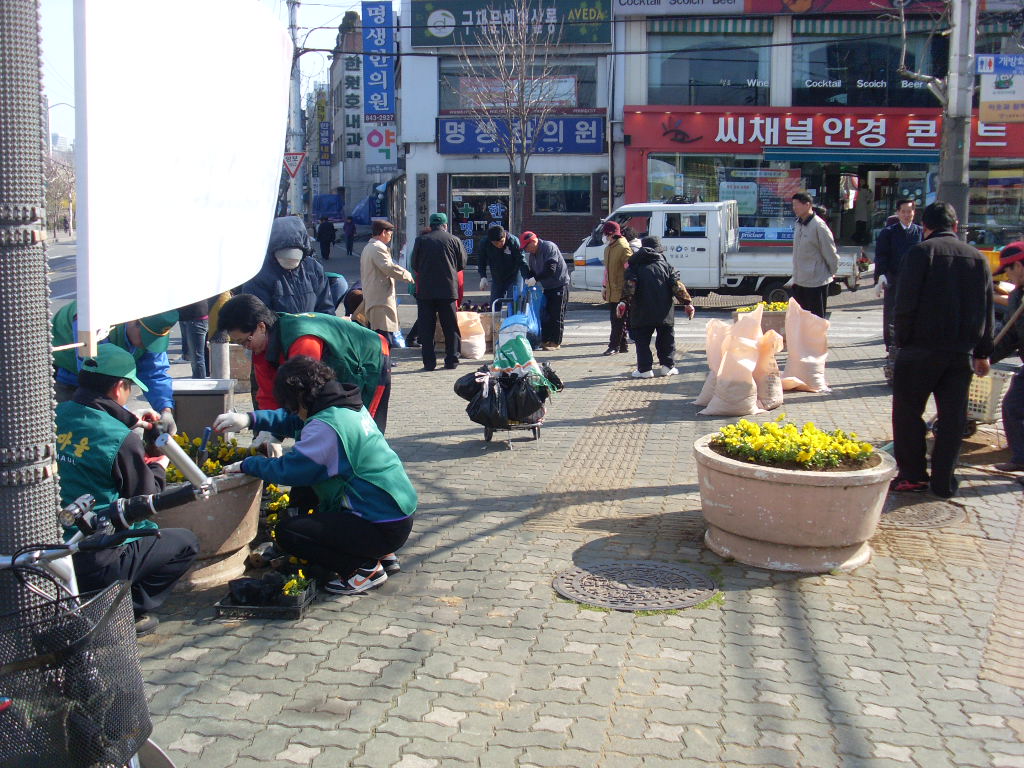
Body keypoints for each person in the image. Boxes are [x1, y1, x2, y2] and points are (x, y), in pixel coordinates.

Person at [214, 356, 415, 595]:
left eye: (291, 404)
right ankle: (382, 554)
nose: (292, 411)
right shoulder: (344, 406)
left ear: (300, 397)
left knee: (291, 533)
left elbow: (290, 470)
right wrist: (250, 419)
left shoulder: (327, 426)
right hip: (395, 514)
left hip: (379, 525)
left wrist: (248, 464)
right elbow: (296, 421)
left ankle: (362, 570)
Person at [55, 344, 199, 635]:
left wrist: (130, 419)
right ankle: (125, 612)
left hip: (52, 548)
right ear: (119, 386)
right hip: (97, 556)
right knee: (185, 543)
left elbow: (93, 417)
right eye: (130, 387)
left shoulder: (54, 414)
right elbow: (144, 499)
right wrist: (157, 463)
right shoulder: (121, 440)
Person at [890, 201, 994, 498]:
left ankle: (912, 475)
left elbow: (905, 303)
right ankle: (943, 480)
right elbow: (986, 310)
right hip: (960, 353)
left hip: (920, 349)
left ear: (925, 227)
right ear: (956, 226)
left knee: (908, 413)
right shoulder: (978, 258)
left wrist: (902, 341)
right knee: (953, 418)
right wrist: (983, 352)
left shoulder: (921, 253)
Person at [217, 293, 392, 436]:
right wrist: (269, 432)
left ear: (261, 327)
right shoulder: (261, 347)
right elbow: (268, 395)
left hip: (369, 358)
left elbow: (308, 400)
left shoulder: (302, 340)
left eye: (244, 340)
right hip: (334, 365)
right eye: (239, 343)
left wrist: (255, 421)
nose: (245, 347)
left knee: (361, 429)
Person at [52, 301, 179, 434]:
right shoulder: (95, 321)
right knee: (73, 431)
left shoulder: (154, 328)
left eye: (155, 339)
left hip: (98, 380)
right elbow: (95, 383)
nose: (148, 344)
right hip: (67, 375)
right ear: (132, 320)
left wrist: (166, 409)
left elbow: (155, 373)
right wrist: (128, 418)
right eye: (146, 337)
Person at [619, 236, 695, 378]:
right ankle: (667, 367)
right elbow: (676, 286)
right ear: (658, 250)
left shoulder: (634, 265)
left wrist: (623, 302)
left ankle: (645, 370)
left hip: (641, 310)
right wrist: (687, 303)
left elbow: (630, 286)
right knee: (666, 339)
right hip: (664, 310)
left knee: (642, 341)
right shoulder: (666, 266)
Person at [243, 216, 334, 316]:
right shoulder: (259, 273)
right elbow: (257, 316)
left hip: (313, 329)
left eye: (295, 256)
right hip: (277, 330)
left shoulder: (313, 268)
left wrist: (326, 329)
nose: (290, 260)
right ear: (273, 252)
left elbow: (326, 307)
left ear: (303, 251)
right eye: (283, 256)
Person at [411, 212, 466, 370]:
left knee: (426, 328)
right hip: (448, 290)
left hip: (426, 291)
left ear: (431, 224)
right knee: (450, 327)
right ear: (445, 225)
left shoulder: (421, 240)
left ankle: (429, 363)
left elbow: (414, 263)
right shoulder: (454, 240)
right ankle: (452, 360)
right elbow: (462, 263)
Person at [987, 242, 1024, 475]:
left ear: (1019, 265)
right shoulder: (1017, 296)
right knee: (1013, 405)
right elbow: (1009, 336)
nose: (1008, 276)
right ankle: (1020, 456)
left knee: (1014, 405)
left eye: (1010, 270)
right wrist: (985, 358)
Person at [874, 199, 923, 366]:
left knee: (914, 314)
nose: (906, 215)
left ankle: (909, 347)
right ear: (898, 213)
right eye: (903, 212)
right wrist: (880, 275)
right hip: (894, 279)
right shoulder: (888, 232)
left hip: (915, 281)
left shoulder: (920, 232)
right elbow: (881, 256)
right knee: (892, 314)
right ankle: (891, 348)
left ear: (914, 213)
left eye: (909, 212)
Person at [360, 219, 413, 346]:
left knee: (380, 332)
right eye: (390, 234)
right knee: (384, 333)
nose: (390, 237)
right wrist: (408, 275)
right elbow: (389, 267)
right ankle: (384, 362)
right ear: (384, 232)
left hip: (375, 295)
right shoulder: (377, 248)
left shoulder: (369, 247)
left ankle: (384, 360)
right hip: (380, 298)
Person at [790, 192, 839, 318]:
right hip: (800, 280)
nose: (794, 208)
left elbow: (830, 252)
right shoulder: (798, 223)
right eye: (793, 205)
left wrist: (833, 271)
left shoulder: (818, 225)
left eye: (797, 205)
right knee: (801, 319)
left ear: (807, 205)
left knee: (815, 320)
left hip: (816, 281)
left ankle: (816, 339)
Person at [520, 230, 570, 351]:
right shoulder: (533, 255)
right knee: (546, 315)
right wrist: (529, 278)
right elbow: (533, 271)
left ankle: (556, 341)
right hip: (547, 287)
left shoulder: (548, 247)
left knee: (556, 314)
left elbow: (550, 269)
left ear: (533, 241)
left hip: (559, 285)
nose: (526, 250)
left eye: (526, 247)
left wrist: (535, 278)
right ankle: (546, 340)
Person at [601, 220, 632, 356]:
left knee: (617, 320)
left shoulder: (623, 248)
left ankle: (613, 346)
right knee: (617, 319)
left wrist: (628, 291)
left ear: (611, 234)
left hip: (621, 291)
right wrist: (604, 286)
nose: (604, 237)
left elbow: (630, 271)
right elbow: (607, 270)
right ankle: (622, 345)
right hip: (612, 289)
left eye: (605, 234)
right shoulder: (609, 248)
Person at [477, 225, 529, 307]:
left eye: (501, 241)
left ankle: (512, 318)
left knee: (513, 302)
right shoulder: (485, 243)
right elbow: (481, 261)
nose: (499, 245)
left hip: (514, 275)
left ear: (505, 235)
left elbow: (521, 261)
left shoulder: (513, 241)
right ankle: (495, 319)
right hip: (497, 275)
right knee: (495, 303)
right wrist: (483, 277)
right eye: (495, 243)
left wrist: (526, 277)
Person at [177, 297, 215, 378]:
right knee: (202, 355)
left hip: (195, 318)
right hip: (200, 316)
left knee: (197, 358)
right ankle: (204, 378)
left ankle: (200, 383)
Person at [853, 180, 874, 245]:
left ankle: (858, 238)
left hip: (860, 212)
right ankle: (860, 238)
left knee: (859, 225)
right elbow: (870, 197)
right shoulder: (864, 191)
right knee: (861, 226)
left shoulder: (861, 191)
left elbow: (869, 197)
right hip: (862, 212)